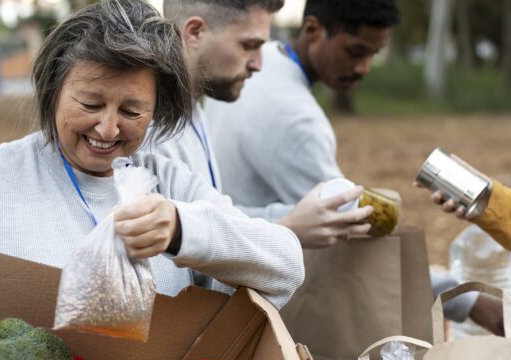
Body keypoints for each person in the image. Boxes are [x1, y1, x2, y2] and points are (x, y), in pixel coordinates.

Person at [0, 0, 304, 309]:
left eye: (132, 111)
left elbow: (285, 266)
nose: (108, 129)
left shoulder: (170, 185)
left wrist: (181, 230)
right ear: (53, 92)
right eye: (90, 104)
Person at [204, 0, 504, 334]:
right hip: (246, 299)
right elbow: (357, 226)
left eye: (373, 54)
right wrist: (471, 302)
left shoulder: (261, 64)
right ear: (314, 30)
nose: (364, 68)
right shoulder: (297, 119)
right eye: (355, 51)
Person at [151, 0, 373, 249]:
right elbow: (169, 249)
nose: (258, 64)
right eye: (249, 45)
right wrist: (287, 230)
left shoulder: (190, 109)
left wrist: (292, 218)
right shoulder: (150, 128)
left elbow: (206, 217)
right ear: (195, 33)